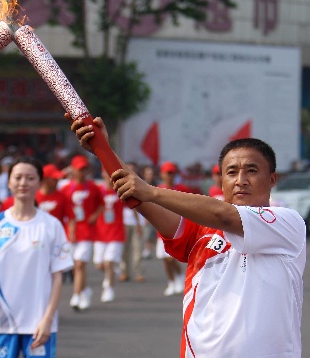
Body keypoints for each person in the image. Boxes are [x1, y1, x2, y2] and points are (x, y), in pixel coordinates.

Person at [69, 115, 306, 357]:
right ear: (221, 181)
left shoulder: (287, 225)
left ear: (272, 179)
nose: (240, 181)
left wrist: (152, 191)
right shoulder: (200, 232)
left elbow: (224, 215)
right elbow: (139, 197)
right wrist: (103, 150)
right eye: (231, 172)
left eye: (252, 171)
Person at [0, 157, 73, 358]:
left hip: (37, 323)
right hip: (0, 323)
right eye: (18, 177)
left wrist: (48, 319)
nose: (23, 183)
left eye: (30, 178)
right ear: (9, 182)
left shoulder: (51, 225)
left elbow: (57, 278)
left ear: (39, 182)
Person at [59, 155, 103, 311]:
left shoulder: (93, 187)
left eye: (85, 169)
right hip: (70, 231)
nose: (83, 172)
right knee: (74, 265)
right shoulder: (65, 189)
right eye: (80, 169)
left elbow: (101, 204)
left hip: (87, 231)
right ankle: (85, 291)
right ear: (73, 170)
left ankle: (76, 296)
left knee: (80, 264)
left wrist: (95, 215)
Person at [93, 168, 125, 302]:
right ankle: (111, 272)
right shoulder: (97, 191)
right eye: (106, 173)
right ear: (102, 174)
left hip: (116, 231)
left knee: (108, 262)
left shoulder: (120, 190)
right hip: (100, 232)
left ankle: (109, 289)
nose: (108, 176)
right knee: (99, 264)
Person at [155, 161, 188, 296]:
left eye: (172, 173)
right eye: (167, 173)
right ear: (162, 174)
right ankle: (171, 281)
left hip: (178, 229)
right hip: (162, 229)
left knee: (171, 258)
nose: (170, 176)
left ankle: (179, 277)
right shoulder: (157, 189)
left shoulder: (182, 189)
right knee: (164, 258)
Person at [119, 162, 145, 283]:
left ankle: (138, 272)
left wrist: (140, 223)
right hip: (124, 221)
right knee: (124, 249)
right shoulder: (120, 185)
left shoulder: (140, 184)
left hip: (137, 222)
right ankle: (124, 271)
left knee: (137, 249)